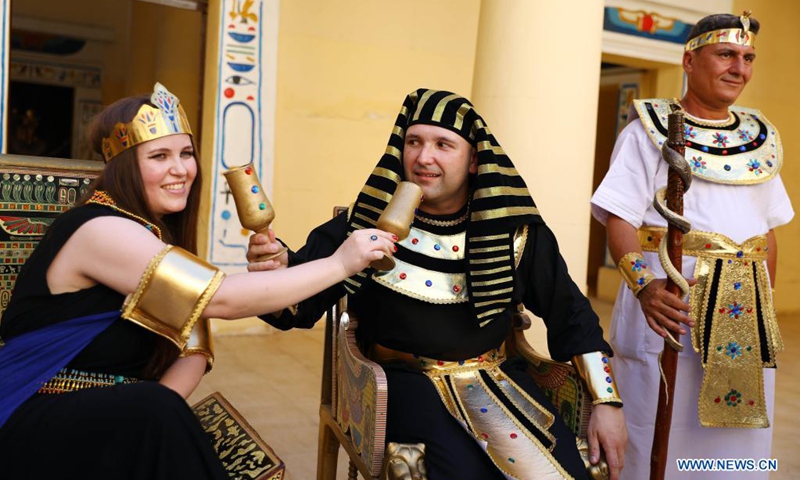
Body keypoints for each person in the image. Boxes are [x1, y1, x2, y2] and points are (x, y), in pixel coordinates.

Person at [0, 83, 395, 480]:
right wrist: (342, 262)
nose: (181, 169)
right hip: (37, 417)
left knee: (157, 414)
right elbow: (220, 299)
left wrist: (149, 413)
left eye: (186, 153)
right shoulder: (99, 230)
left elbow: (195, 346)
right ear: (123, 167)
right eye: (159, 156)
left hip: (114, 420)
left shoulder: (154, 237)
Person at [248, 88, 628, 480]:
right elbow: (298, 305)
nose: (423, 157)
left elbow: (572, 314)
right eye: (413, 142)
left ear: (474, 160)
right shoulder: (364, 224)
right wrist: (277, 270)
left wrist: (606, 401)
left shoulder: (514, 232)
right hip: (403, 385)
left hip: (496, 377)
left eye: (443, 144)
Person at [590, 12, 794, 480]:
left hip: (742, 318)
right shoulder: (647, 131)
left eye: (747, 58)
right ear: (689, 59)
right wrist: (645, 290)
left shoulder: (759, 140)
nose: (738, 67)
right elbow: (617, 218)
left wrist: (764, 310)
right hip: (671, 308)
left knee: (735, 447)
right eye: (725, 54)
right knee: (656, 434)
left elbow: (769, 233)